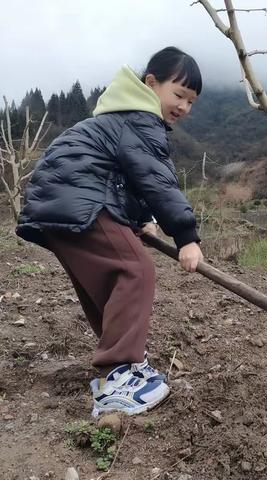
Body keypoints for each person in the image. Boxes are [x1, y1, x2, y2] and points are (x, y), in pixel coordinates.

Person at [16, 47, 204, 417]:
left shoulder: (120, 119)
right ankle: (116, 378)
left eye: (191, 101)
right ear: (151, 84)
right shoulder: (139, 119)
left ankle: (124, 367)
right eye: (178, 95)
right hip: (78, 199)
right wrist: (186, 236)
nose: (184, 107)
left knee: (105, 283)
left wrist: (142, 218)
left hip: (59, 204)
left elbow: (126, 180)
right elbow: (156, 180)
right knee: (135, 270)